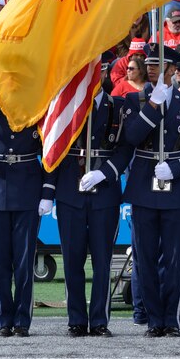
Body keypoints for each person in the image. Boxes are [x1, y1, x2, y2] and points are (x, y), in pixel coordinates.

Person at [122, 43, 180, 337]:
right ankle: (153, 319)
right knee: (144, 257)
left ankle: (171, 319)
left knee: (174, 258)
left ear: (173, 70)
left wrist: (177, 168)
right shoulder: (135, 100)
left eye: (159, 66)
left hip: (175, 185)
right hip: (144, 184)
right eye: (150, 65)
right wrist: (153, 106)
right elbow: (132, 137)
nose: (153, 70)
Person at [44, 57, 132, 337]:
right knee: (72, 260)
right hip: (71, 191)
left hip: (104, 192)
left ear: (104, 72)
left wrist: (105, 172)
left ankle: (100, 320)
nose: (95, 74)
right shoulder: (67, 105)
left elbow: (125, 149)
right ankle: (76, 320)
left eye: (100, 69)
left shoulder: (118, 107)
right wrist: (48, 191)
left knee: (103, 260)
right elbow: (53, 149)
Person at [0, 100, 52, 337]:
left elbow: (49, 151)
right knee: (0, 261)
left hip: (28, 188)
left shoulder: (38, 102)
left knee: (25, 262)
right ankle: (3, 320)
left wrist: (47, 192)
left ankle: (22, 321)